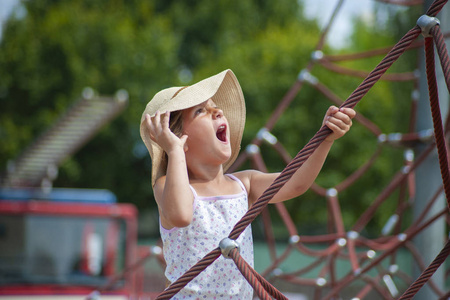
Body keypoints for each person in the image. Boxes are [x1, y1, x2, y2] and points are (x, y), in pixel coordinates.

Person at [140, 69, 355, 299]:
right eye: (200, 111)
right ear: (180, 139)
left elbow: (296, 183)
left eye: (215, 107)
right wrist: (173, 150)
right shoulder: (167, 187)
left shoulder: (244, 183)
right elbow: (181, 215)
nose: (217, 111)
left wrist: (325, 139)